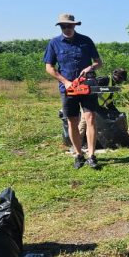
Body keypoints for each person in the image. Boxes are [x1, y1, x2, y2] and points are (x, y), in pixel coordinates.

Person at [43, 13, 103, 169]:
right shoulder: (54, 43)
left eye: (69, 25)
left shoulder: (86, 41)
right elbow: (49, 67)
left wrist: (90, 67)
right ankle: (78, 154)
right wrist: (66, 82)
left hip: (87, 86)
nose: (67, 28)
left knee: (90, 118)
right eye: (64, 26)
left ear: (74, 25)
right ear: (60, 27)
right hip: (68, 88)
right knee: (72, 121)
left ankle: (91, 155)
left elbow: (98, 62)